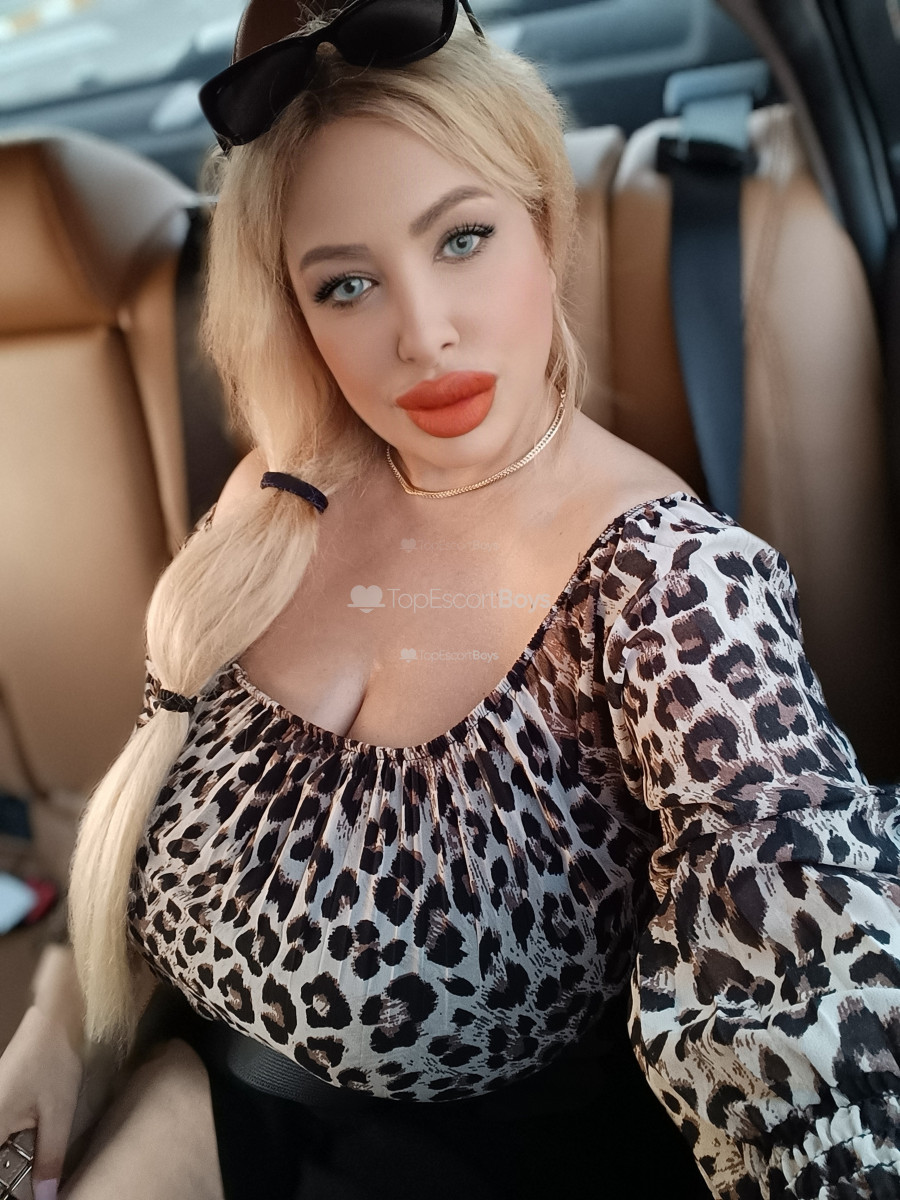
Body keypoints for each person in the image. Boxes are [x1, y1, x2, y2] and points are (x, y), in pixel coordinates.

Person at [1, 0, 899, 1196]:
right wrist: (59, 1025)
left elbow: (810, 1012)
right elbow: (139, 815)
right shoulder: (276, 500)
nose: (422, 335)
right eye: (346, 285)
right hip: (183, 1105)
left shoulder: (671, 586)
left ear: (545, 225)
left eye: (462, 239)